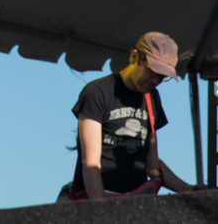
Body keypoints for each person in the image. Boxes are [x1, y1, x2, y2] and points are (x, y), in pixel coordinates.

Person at [68, 31, 206, 199]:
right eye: (152, 71)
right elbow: (91, 164)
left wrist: (188, 190)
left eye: (163, 77)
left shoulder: (152, 98)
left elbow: (152, 165)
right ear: (134, 57)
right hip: (100, 200)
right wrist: (100, 211)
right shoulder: (98, 93)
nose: (156, 81)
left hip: (135, 204)